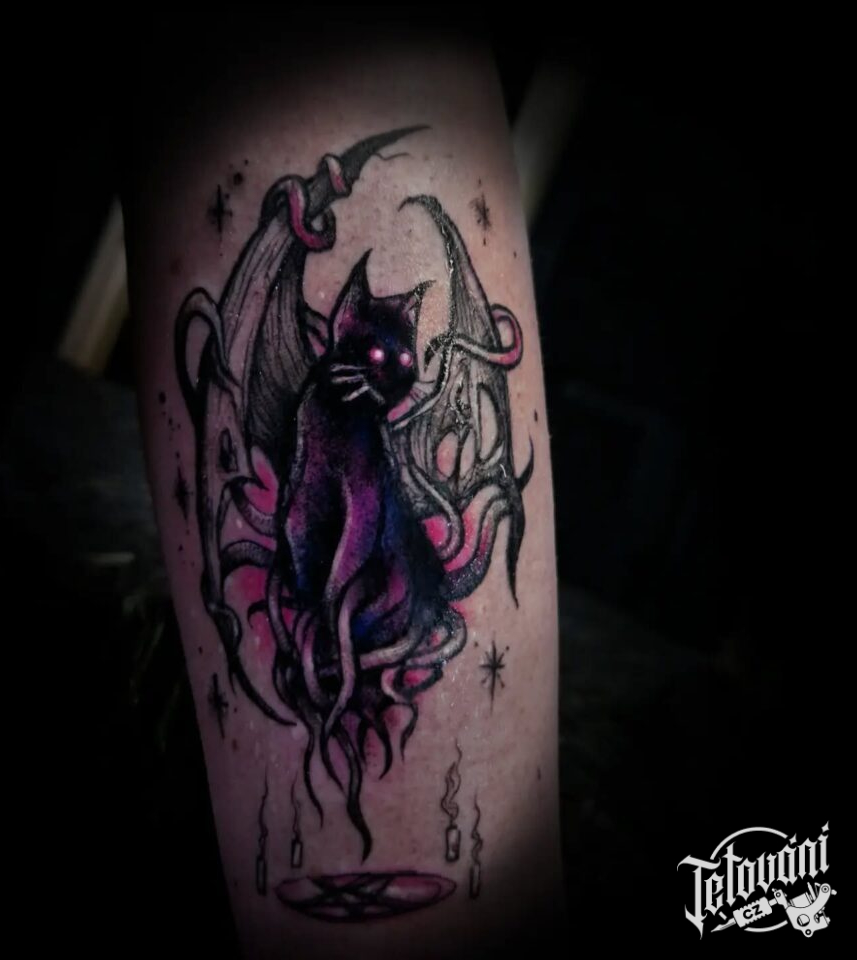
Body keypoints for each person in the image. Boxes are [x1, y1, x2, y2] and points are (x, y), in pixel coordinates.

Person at [126, 27, 562, 957]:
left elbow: (361, 517)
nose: (389, 378)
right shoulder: (320, 388)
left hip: (377, 606)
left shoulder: (372, 409)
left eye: (400, 370)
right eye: (375, 355)